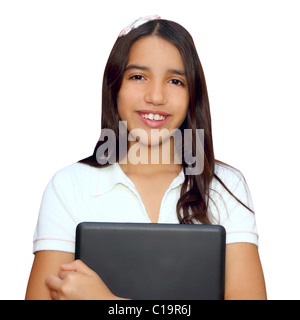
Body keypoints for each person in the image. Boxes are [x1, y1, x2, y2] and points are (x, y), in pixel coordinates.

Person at [25, 15, 267, 300]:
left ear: (193, 95)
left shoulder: (226, 186)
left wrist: (109, 302)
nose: (155, 96)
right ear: (115, 86)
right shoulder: (69, 186)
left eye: (175, 81)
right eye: (138, 77)